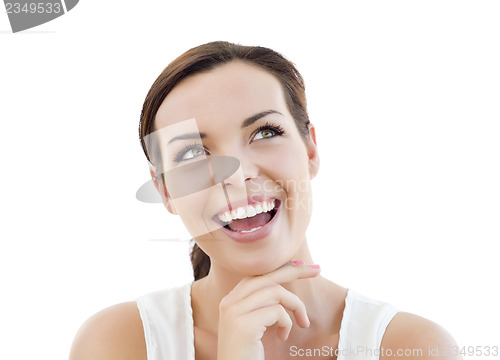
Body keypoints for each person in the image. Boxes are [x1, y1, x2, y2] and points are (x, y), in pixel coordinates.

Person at [69, 41, 462, 360]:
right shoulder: (117, 344)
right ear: (165, 191)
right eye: (192, 154)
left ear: (310, 149)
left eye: (264, 132)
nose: (237, 175)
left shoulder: (414, 348)